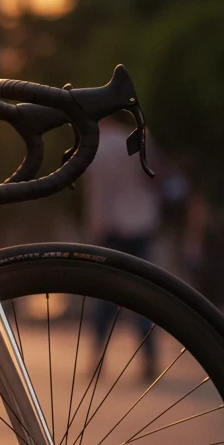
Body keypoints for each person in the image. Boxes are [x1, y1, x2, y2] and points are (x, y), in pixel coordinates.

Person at [84, 119, 162, 378]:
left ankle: (96, 356)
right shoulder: (140, 139)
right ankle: (149, 359)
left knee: (105, 296)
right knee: (142, 295)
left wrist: (95, 226)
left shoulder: (98, 147)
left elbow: (97, 192)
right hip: (141, 224)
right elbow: (154, 179)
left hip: (111, 228)